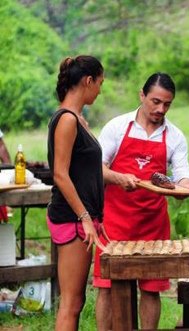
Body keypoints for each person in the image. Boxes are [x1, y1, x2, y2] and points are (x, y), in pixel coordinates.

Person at [93, 72, 189, 330]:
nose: (161, 109)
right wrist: (118, 178)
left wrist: (184, 189)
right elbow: (95, 169)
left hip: (153, 226)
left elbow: (183, 177)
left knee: (151, 290)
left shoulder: (175, 136)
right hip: (113, 223)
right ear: (142, 95)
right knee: (106, 288)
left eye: (167, 104)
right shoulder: (117, 127)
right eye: (155, 102)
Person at [46, 55, 105, 331]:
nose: (101, 90)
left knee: (76, 301)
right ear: (88, 80)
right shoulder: (67, 119)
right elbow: (60, 173)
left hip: (81, 217)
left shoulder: (78, 119)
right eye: (100, 83)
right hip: (71, 218)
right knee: (70, 303)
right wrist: (83, 217)